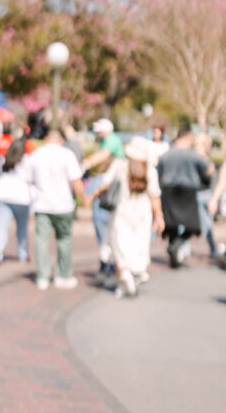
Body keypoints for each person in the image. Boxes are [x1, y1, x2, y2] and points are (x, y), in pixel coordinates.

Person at [87, 136, 164, 298]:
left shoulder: (120, 166)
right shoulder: (150, 170)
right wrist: (159, 216)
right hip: (143, 214)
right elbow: (155, 196)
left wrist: (92, 195)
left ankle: (124, 277)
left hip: (122, 212)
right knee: (137, 245)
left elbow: (105, 183)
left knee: (119, 246)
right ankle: (131, 276)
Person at [23, 128, 84, 290]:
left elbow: (28, 180)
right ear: (61, 140)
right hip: (64, 205)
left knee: (41, 240)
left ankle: (42, 276)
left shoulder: (35, 155)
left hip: (42, 204)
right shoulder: (67, 155)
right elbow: (76, 181)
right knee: (64, 240)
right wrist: (83, 199)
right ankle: (63, 275)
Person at [157, 123, 214, 267]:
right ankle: (176, 248)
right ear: (188, 136)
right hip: (187, 193)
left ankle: (174, 254)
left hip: (168, 191)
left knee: (172, 225)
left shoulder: (166, 154)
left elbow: (158, 172)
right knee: (193, 226)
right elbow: (208, 170)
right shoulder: (192, 154)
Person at [83, 118, 125, 279]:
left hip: (110, 191)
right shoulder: (107, 141)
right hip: (108, 188)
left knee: (105, 228)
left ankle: (108, 265)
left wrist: (86, 164)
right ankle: (106, 264)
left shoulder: (111, 142)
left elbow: (102, 157)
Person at [0, 137, 31, 265]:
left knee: (1, 226)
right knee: (22, 228)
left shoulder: (2, 159)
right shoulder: (27, 161)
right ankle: (23, 254)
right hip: (21, 198)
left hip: (2, 195)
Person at [194, 133, 217, 258]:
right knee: (186, 223)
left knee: (207, 224)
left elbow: (211, 173)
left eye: (200, 145)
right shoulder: (192, 159)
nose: (198, 148)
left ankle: (213, 249)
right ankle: (182, 251)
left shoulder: (207, 161)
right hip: (193, 194)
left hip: (205, 194)